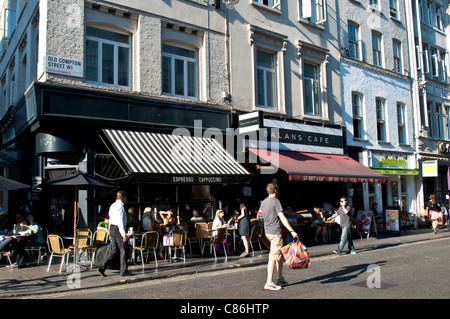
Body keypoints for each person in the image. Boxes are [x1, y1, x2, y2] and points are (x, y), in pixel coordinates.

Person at [259, 183, 298, 291]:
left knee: (279, 255)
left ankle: (280, 278)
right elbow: (283, 218)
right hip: (275, 232)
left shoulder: (264, 202)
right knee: (273, 257)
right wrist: (292, 231)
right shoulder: (276, 202)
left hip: (268, 232)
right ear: (276, 190)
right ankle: (269, 282)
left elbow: (260, 217)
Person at [97, 190, 131, 277]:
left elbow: (110, 219)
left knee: (114, 250)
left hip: (112, 228)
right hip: (117, 229)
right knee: (123, 250)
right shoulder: (120, 207)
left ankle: (102, 267)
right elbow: (120, 221)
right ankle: (123, 271)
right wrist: (123, 235)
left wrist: (109, 233)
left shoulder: (112, 205)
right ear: (123, 197)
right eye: (125, 197)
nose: (126, 199)